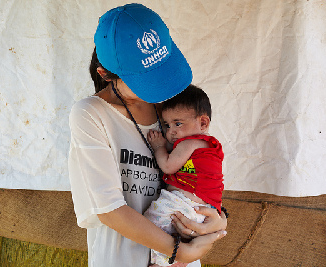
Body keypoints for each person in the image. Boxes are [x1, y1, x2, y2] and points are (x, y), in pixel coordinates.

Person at [68, 4, 227, 267]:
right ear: (105, 74)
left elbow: (201, 169)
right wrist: (179, 252)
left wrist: (218, 218)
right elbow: (110, 211)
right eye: (146, 79)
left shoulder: (170, 110)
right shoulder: (91, 115)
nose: (161, 86)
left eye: (161, 72)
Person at [144, 85, 225, 266]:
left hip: (183, 202)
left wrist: (159, 147)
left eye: (178, 123)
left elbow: (168, 166)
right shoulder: (208, 146)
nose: (171, 131)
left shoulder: (190, 143)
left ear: (203, 123)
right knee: (172, 231)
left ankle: (161, 262)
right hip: (202, 208)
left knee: (152, 223)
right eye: (167, 125)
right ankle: (178, 261)